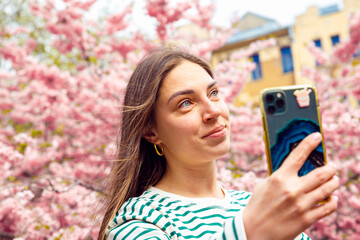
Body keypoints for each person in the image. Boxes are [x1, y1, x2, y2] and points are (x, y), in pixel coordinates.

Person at [98, 47, 339, 240]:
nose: (213, 110)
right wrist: (249, 232)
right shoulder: (139, 221)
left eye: (213, 93)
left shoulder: (255, 206)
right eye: (185, 103)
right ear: (151, 132)